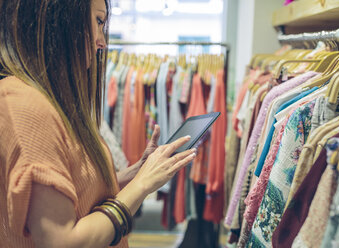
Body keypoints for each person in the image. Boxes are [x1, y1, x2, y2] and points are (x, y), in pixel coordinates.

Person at [0, 0, 196, 247]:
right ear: (58, 19)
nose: (102, 42)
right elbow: (63, 242)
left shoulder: (49, 100)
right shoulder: (26, 105)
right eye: (99, 21)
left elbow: (78, 192)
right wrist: (142, 185)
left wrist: (136, 173)